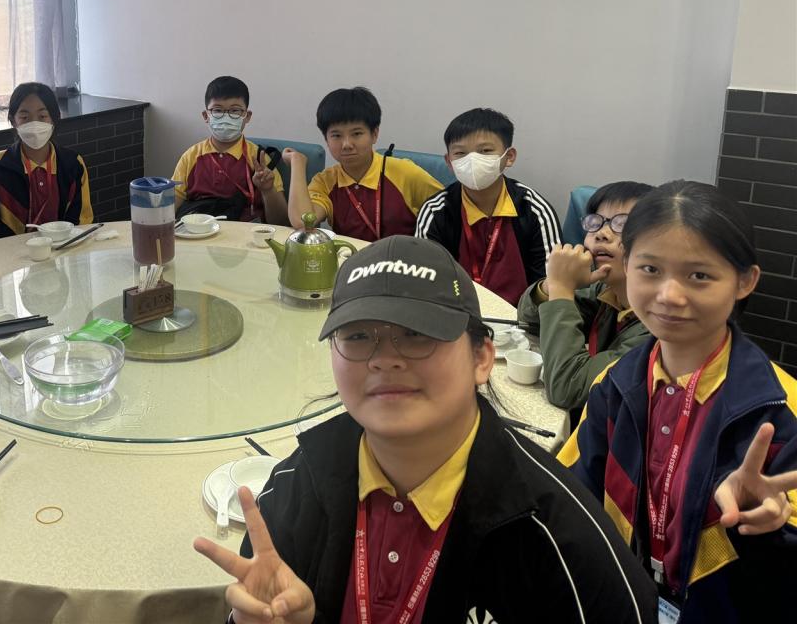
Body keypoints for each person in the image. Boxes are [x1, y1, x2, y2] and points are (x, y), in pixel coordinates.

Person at [194, 236, 657, 624]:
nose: (384, 359)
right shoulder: (296, 486)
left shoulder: (556, 538)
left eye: (417, 333)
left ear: (482, 358)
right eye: (358, 336)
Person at [560, 181, 797, 623]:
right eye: (650, 269)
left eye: (699, 276)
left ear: (745, 281)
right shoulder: (616, 384)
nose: (669, 295)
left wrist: (767, 527)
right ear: (627, 265)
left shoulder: (781, 408)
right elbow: (573, 497)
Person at [518, 181, 653, 414]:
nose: (602, 234)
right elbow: (529, 318)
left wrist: (562, 288)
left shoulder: (657, 328)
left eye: (622, 224)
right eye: (595, 223)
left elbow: (567, 388)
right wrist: (553, 285)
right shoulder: (606, 290)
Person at [415, 107, 561, 304]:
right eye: (460, 153)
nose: (472, 160)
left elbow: (553, 285)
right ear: (449, 162)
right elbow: (425, 281)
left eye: (485, 151)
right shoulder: (436, 212)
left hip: (521, 316)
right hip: (456, 313)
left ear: (509, 156)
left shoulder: (535, 211)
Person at [285, 87, 442, 240]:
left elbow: (448, 210)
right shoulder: (326, 181)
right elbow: (302, 223)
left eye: (357, 134)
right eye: (336, 135)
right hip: (351, 257)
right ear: (326, 140)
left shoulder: (404, 172)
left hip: (403, 256)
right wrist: (297, 163)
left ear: (374, 134)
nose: (346, 144)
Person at [0, 82, 94, 239]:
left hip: (63, 251)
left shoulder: (73, 164)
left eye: (43, 116)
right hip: (9, 253)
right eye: (24, 117)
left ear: (54, 119)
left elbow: (81, 225)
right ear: (13, 121)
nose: (34, 123)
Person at [172, 75, 286, 224]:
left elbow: (282, 223)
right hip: (199, 233)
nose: (226, 117)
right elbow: (169, 210)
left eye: (235, 111)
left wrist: (268, 190)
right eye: (218, 110)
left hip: (246, 234)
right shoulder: (191, 157)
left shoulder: (259, 159)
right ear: (206, 116)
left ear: (247, 116)